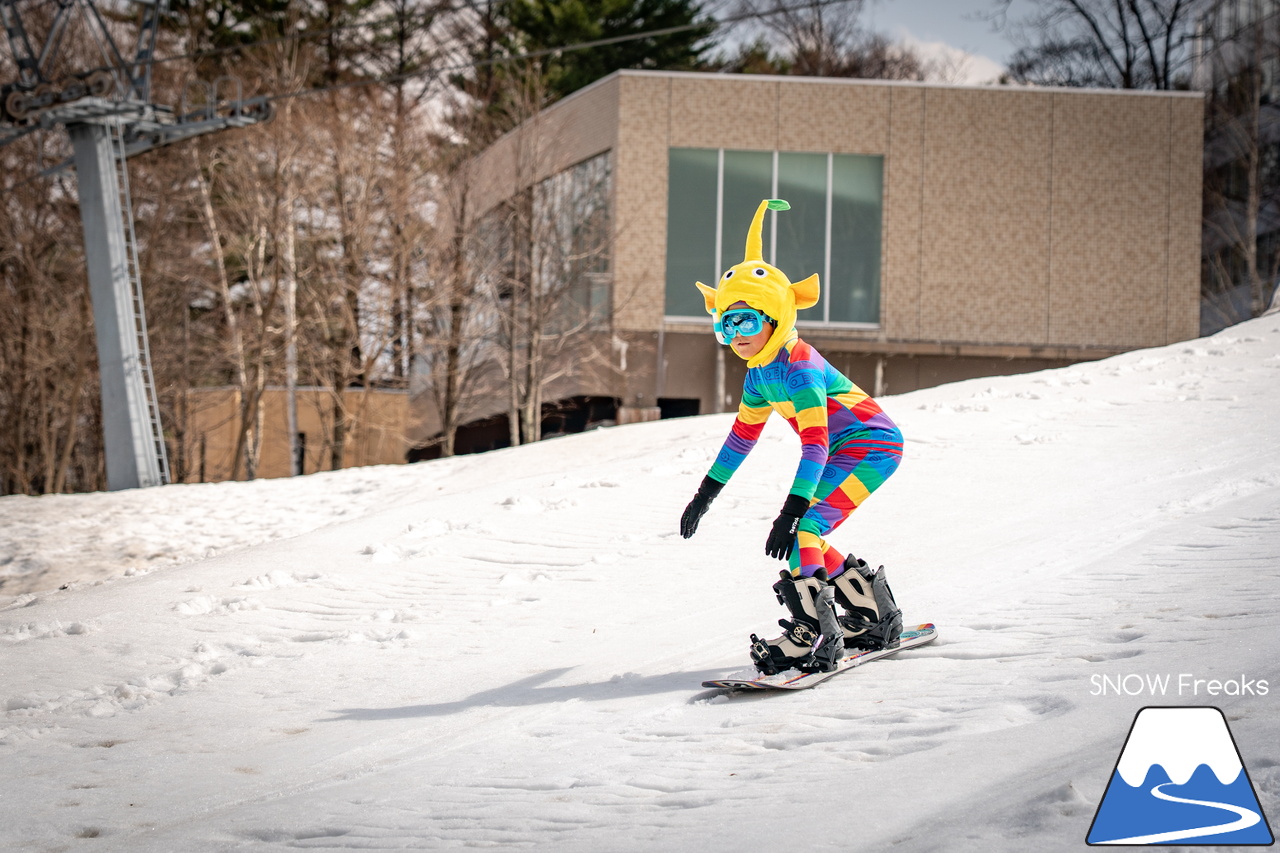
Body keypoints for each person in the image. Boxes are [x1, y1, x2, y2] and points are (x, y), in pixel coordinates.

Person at [679, 199, 905, 676]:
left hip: (874, 444)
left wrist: (790, 511)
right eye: (724, 323)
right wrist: (703, 497)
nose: (734, 333)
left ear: (776, 317)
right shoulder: (760, 375)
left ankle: (816, 635)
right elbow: (741, 439)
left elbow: (816, 444)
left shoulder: (799, 367)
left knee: (806, 529)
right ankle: (874, 614)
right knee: (810, 533)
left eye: (746, 320)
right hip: (846, 449)